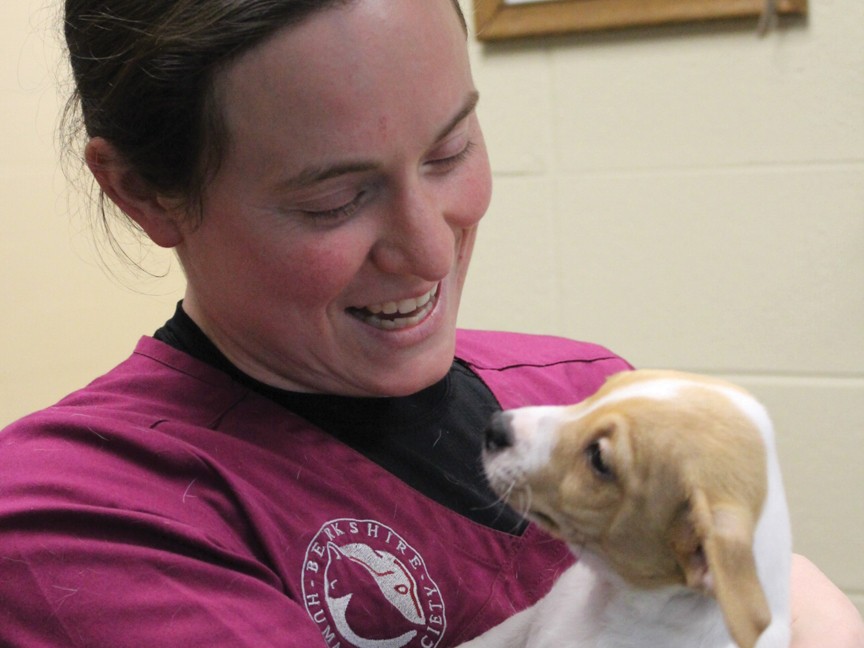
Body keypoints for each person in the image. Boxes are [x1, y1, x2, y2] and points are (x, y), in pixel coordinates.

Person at [1, 0, 861, 646]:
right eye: (334, 199)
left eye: (451, 152)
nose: (429, 252)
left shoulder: (587, 392)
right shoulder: (78, 510)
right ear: (145, 192)